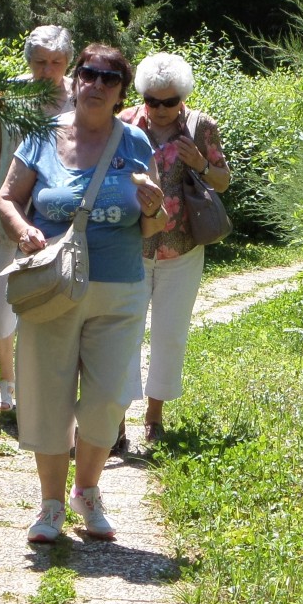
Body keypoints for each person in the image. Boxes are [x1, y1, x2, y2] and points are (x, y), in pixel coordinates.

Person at [0, 43, 168, 542]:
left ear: (120, 92)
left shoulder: (136, 142)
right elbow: (7, 198)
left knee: (108, 397)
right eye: (88, 73)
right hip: (52, 285)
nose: (96, 84)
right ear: (76, 79)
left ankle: (87, 492)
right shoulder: (42, 135)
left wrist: (153, 207)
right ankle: (50, 504)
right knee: (47, 395)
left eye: (109, 79)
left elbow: (154, 226)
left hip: (119, 290)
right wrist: (23, 229)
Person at [0, 24, 74, 412]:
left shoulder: (81, 97)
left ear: (68, 62)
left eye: (56, 62)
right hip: (6, 215)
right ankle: (7, 381)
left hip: (57, 218)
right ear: (28, 61)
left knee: (52, 303)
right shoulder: (8, 95)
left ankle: (41, 387)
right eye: (40, 62)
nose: (47, 70)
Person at [119, 53, 231, 444]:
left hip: (182, 248)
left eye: (170, 101)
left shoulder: (201, 127)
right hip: (130, 246)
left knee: (170, 334)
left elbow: (223, 181)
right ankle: (116, 419)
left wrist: (200, 163)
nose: (161, 109)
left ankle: (154, 417)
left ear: (182, 97)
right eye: (152, 100)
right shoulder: (124, 124)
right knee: (123, 332)